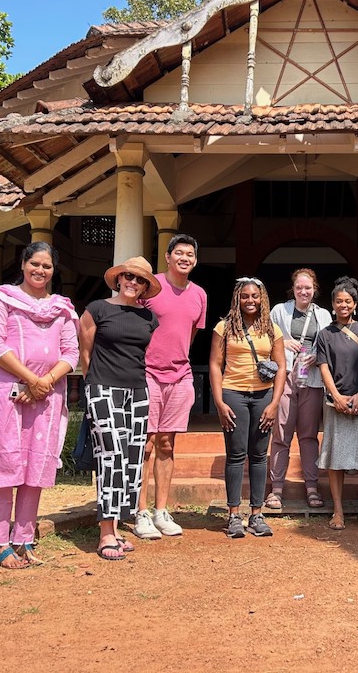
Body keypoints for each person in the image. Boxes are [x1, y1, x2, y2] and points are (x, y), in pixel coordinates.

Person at [0, 242, 79, 569]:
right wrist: (32, 379)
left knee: (35, 466)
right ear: (23, 264)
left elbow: (70, 353)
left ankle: (24, 537)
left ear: (53, 270)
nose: (40, 271)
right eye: (35, 264)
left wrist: (44, 382)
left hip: (46, 396)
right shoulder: (1, 300)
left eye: (47, 266)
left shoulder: (62, 309)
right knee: (4, 465)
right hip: (6, 394)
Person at [78, 256, 161, 560]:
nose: (132, 282)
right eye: (128, 276)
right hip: (102, 388)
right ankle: (104, 533)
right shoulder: (97, 309)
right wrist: (93, 386)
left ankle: (117, 527)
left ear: (145, 287)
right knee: (110, 455)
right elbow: (84, 352)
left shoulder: (149, 318)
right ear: (118, 279)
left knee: (132, 458)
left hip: (137, 391)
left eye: (139, 280)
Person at [133, 234, 207, 540]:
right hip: (147, 373)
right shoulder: (151, 287)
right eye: (179, 253)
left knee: (167, 443)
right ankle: (140, 512)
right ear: (167, 256)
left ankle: (161, 510)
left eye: (190, 254)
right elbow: (134, 325)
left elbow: (190, 335)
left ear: (195, 260)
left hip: (180, 375)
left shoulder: (199, 294)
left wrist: (175, 360)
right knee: (146, 444)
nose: (185, 258)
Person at [209, 277, 286, 538]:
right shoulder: (223, 327)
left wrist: (275, 403)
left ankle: (256, 513)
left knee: (259, 454)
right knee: (235, 454)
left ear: (262, 298)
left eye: (254, 296)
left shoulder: (272, 329)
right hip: (233, 394)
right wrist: (219, 401)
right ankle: (233, 514)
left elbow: (281, 366)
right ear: (237, 299)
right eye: (245, 296)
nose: (249, 300)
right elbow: (215, 365)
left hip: (263, 396)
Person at [267, 268, 332, 510]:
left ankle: (312, 488)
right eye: (299, 287)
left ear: (314, 289)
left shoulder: (323, 315)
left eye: (308, 287)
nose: (303, 291)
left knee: (308, 434)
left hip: (311, 377)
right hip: (284, 377)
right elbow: (267, 338)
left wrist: (316, 356)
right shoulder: (279, 311)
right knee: (281, 432)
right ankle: (276, 489)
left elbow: (328, 344)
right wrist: (283, 342)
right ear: (292, 289)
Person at [315, 277, 358, 529]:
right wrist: (336, 396)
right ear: (332, 304)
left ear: (355, 304)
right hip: (334, 403)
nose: (343, 305)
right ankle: (337, 510)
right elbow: (323, 367)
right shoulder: (325, 334)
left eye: (347, 301)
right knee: (334, 456)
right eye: (338, 301)